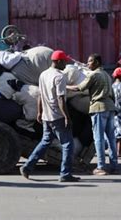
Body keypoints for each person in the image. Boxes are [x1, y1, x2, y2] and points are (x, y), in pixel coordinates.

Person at [19, 50, 80, 182]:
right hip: (57, 116)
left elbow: (40, 95)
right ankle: (65, 173)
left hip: (47, 116)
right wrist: (67, 117)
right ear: (58, 61)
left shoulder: (44, 74)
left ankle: (27, 167)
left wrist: (40, 112)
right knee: (68, 145)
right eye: (64, 62)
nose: (65, 65)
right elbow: (61, 100)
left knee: (45, 142)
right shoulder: (60, 76)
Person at [68, 54, 117, 175]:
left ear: (96, 63)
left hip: (99, 107)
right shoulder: (106, 75)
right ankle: (114, 164)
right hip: (110, 107)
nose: (88, 64)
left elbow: (79, 88)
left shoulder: (94, 75)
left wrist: (65, 86)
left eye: (90, 62)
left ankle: (101, 166)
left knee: (98, 138)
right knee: (111, 138)